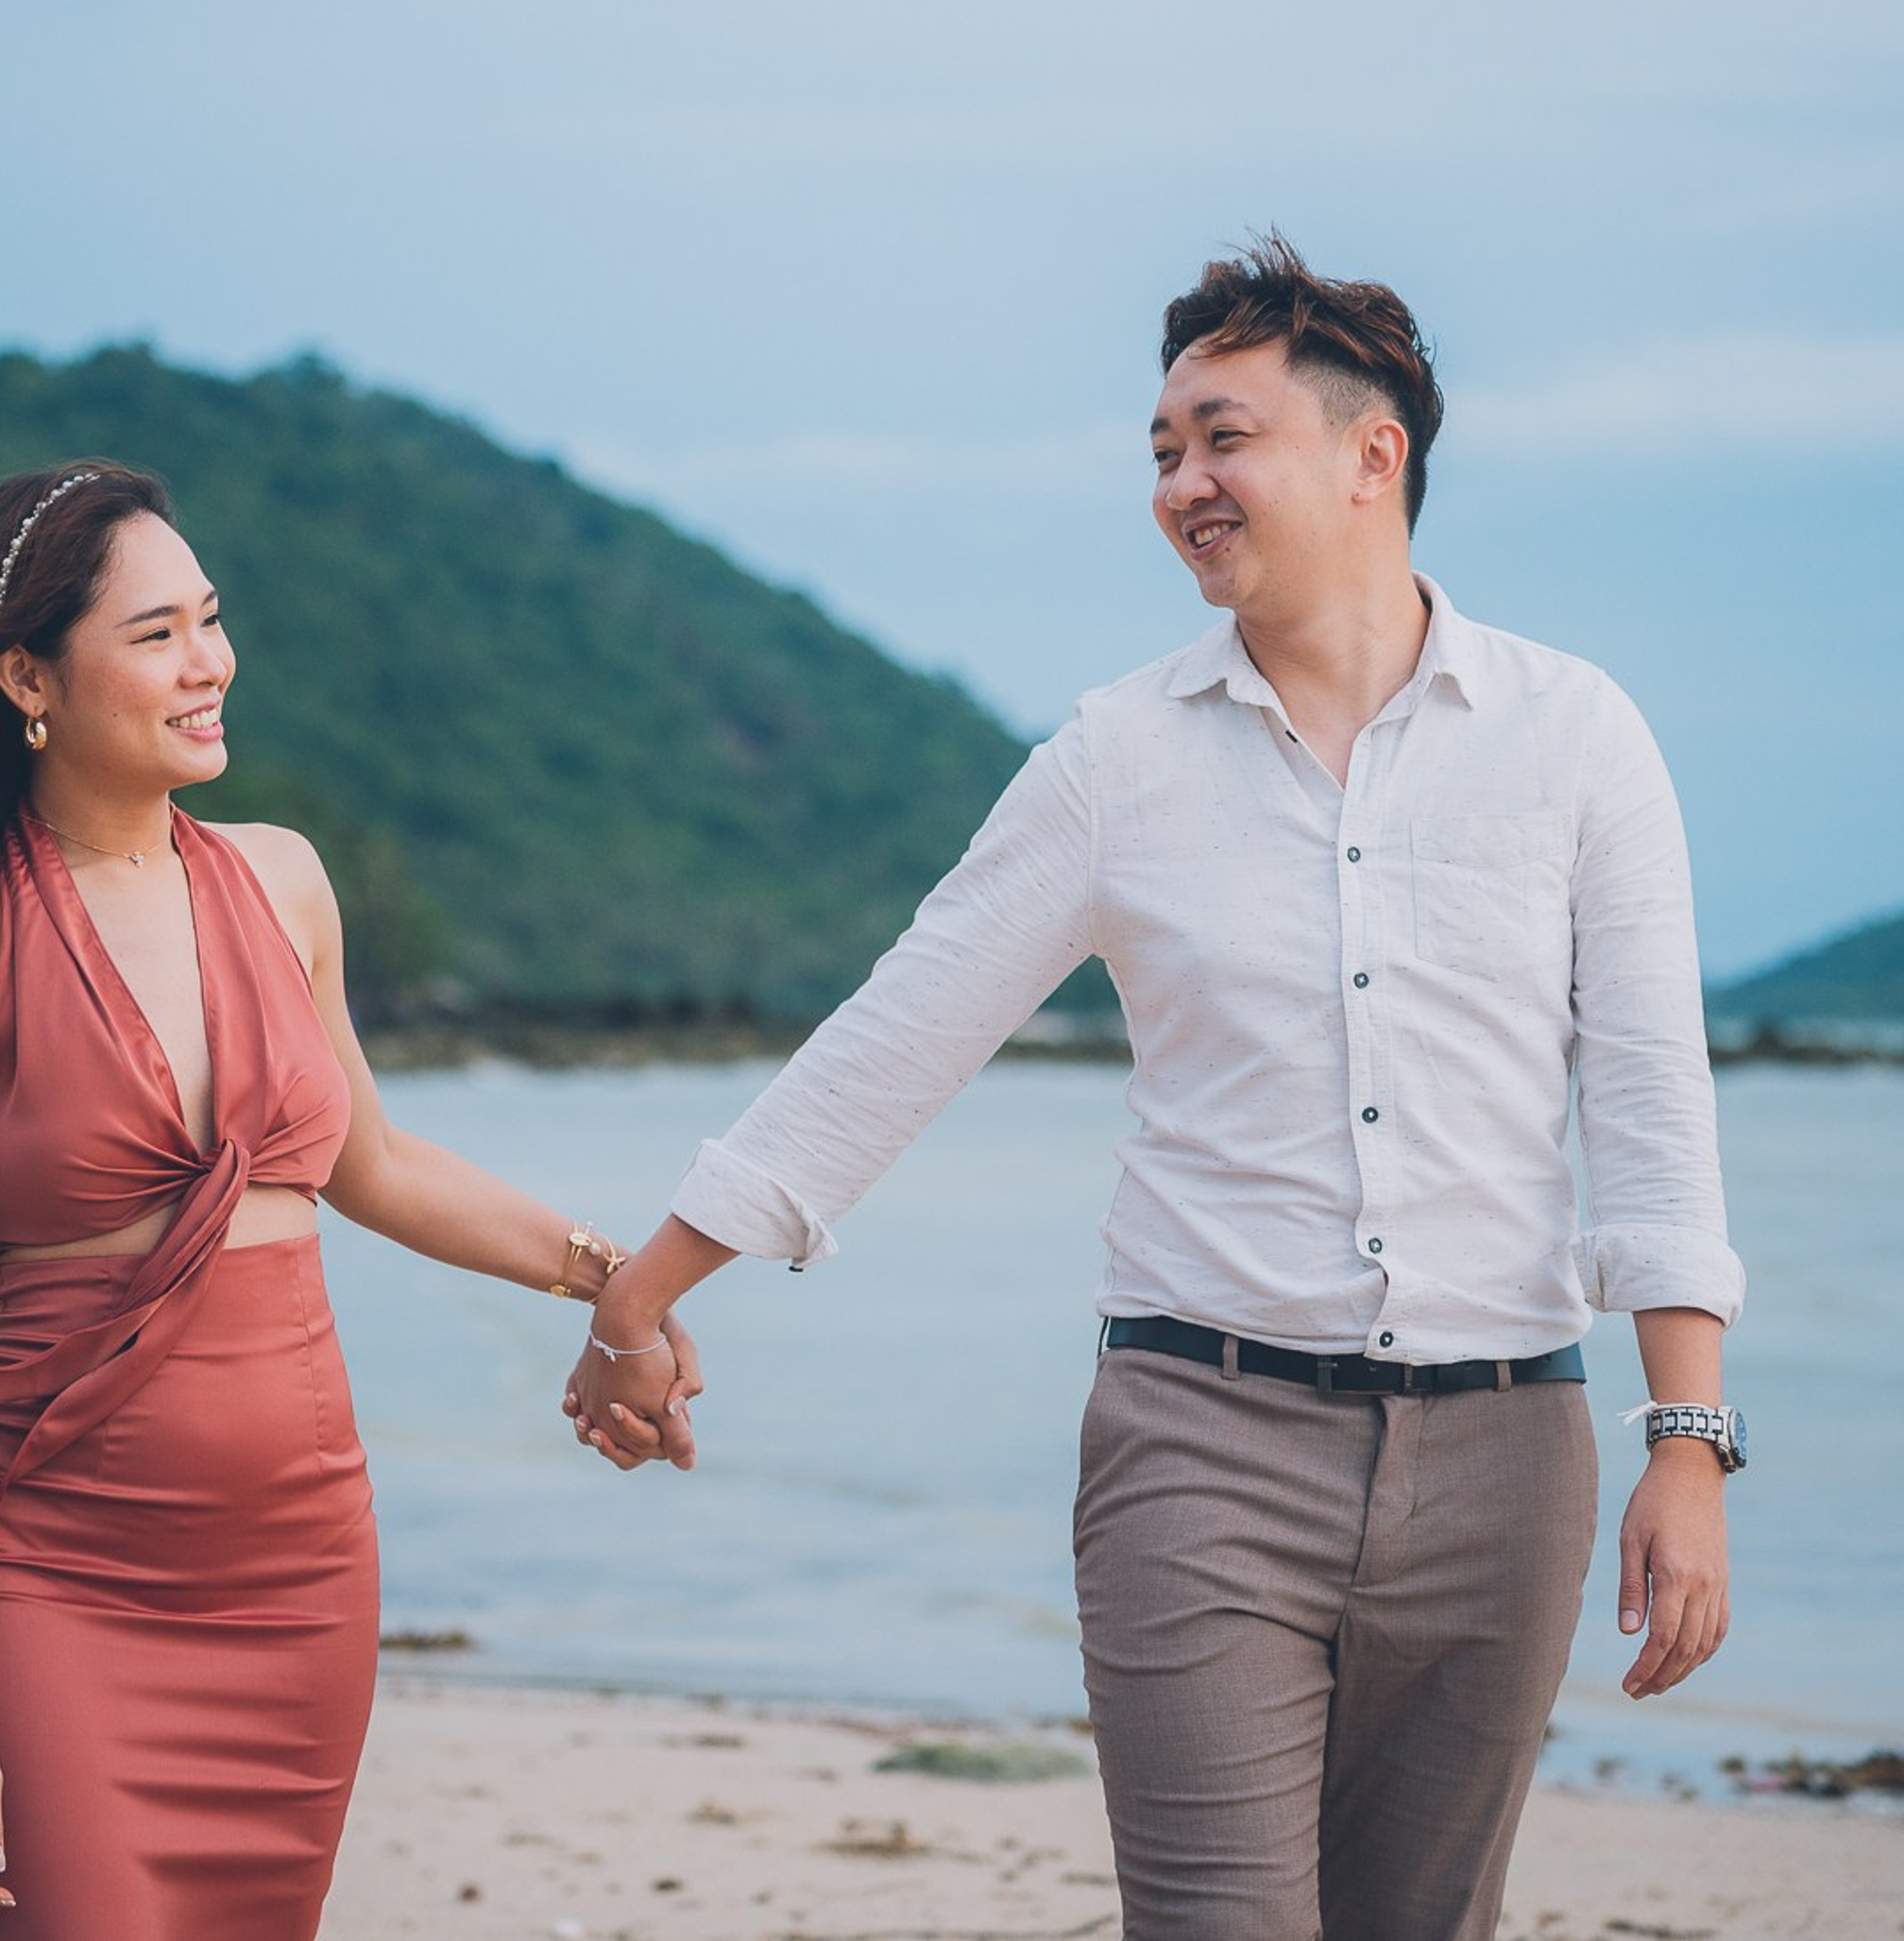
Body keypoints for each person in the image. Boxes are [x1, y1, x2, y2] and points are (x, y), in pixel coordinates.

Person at [567, 237, 1745, 1941]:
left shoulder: (1577, 740)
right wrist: (640, 1295)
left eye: (1222, 438)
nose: (1182, 483)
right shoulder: (1114, 761)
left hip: (1509, 1459)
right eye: (1162, 452)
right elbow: (894, 1045)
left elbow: (1650, 1104)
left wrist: (1687, 1442)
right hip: (1202, 1445)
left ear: (1371, 453)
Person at [0, 460, 697, 1938]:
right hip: (60, 1577)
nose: (211, 662)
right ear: (27, 675)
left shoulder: (282, 882)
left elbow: (373, 1165)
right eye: (159, 633)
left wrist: (624, 1287)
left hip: (299, 1577)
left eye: (213, 620)